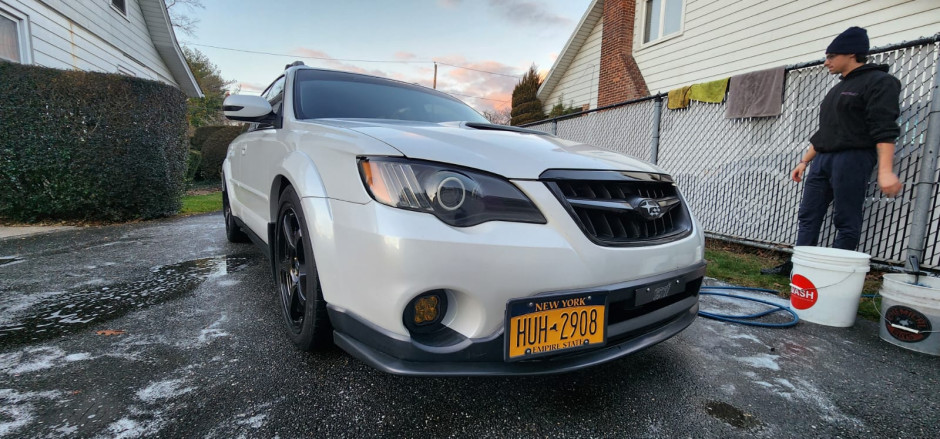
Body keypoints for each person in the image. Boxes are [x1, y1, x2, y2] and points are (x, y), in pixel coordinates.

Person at [762, 26, 902, 275]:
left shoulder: (881, 82)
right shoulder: (837, 88)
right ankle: (800, 267)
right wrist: (804, 161)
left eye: (831, 56)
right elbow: (826, 131)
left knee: (845, 219)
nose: (826, 62)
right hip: (823, 160)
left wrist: (886, 171)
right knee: (808, 214)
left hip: (853, 157)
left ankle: (836, 272)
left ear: (851, 54)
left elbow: (884, 128)